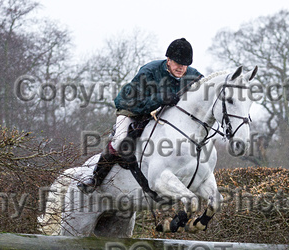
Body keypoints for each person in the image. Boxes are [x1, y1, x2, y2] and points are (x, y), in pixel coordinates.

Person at [78, 38, 203, 193]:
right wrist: (159, 98)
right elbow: (134, 102)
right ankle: (94, 179)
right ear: (168, 60)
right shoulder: (149, 71)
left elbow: (205, 91)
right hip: (131, 109)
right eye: (178, 63)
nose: (181, 68)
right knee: (120, 140)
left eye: (185, 65)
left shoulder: (192, 75)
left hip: (159, 115)